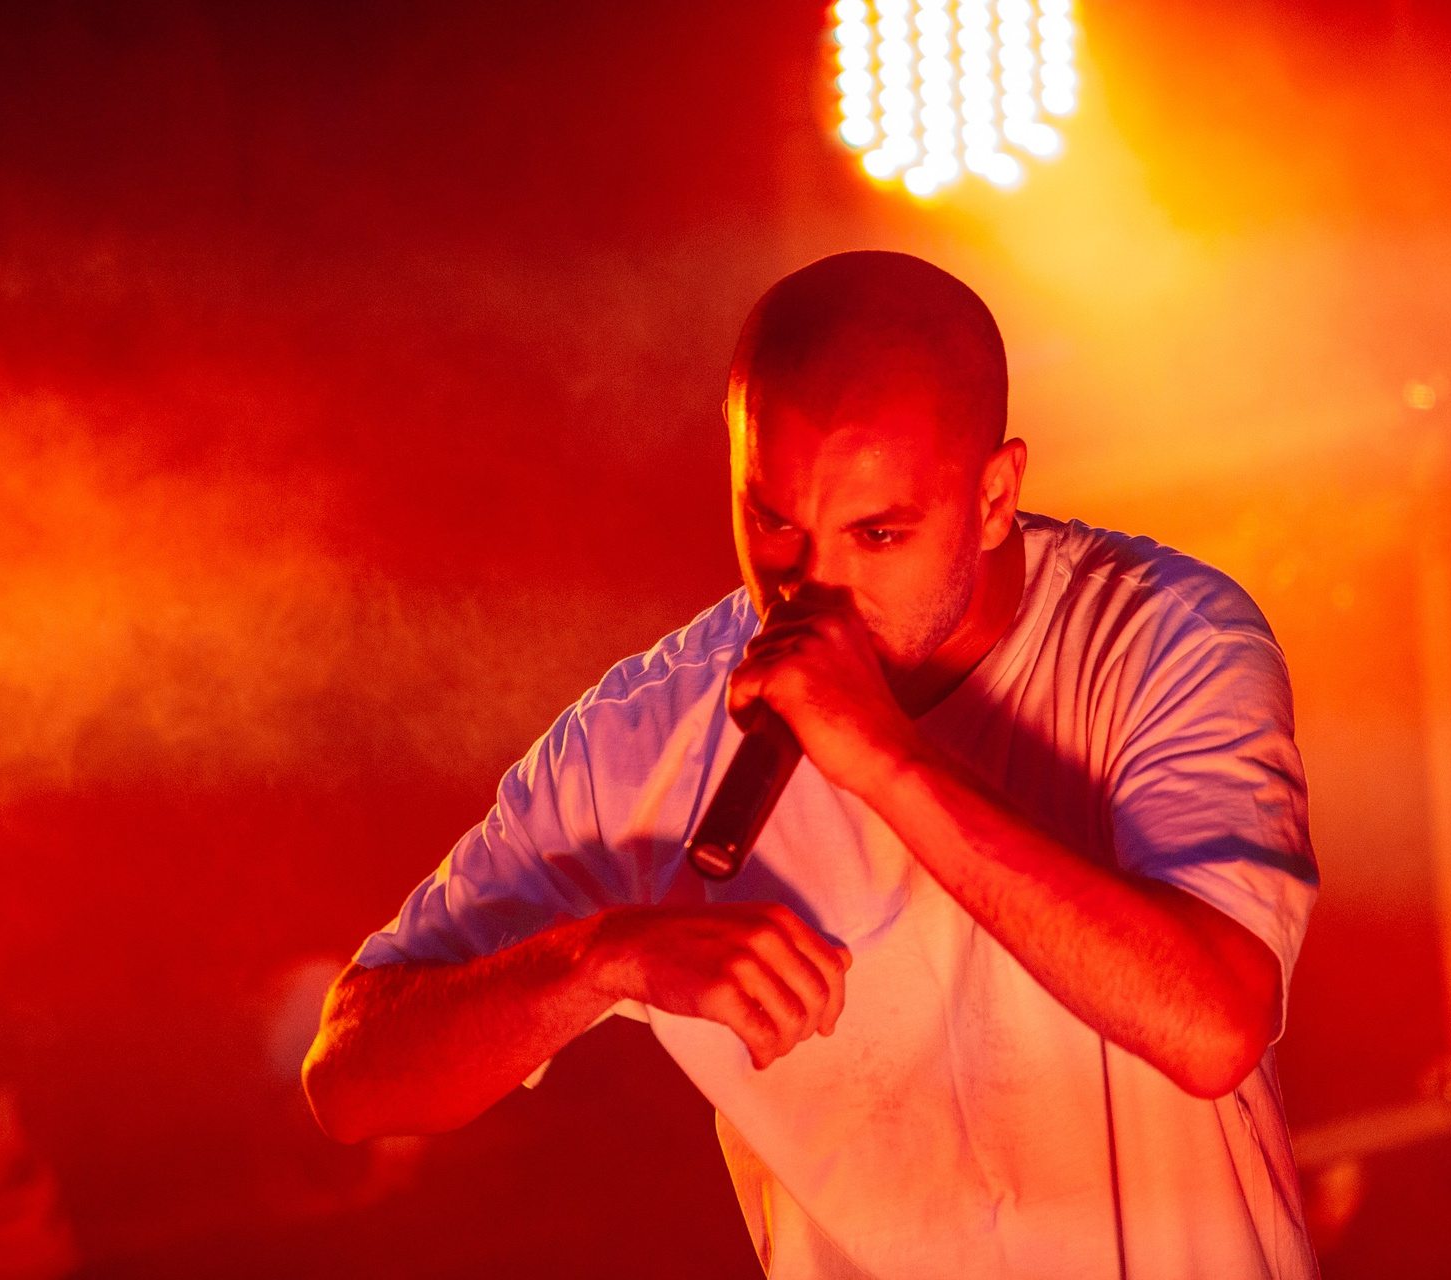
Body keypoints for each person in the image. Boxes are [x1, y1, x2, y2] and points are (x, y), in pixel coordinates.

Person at [302, 251, 1320, 1279]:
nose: (812, 589)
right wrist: (604, 955)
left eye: (879, 534)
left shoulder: (1164, 638)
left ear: (995, 494)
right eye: (774, 524)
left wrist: (882, 753)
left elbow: (1214, 1028)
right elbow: (349, 1077)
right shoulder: (643, 738)